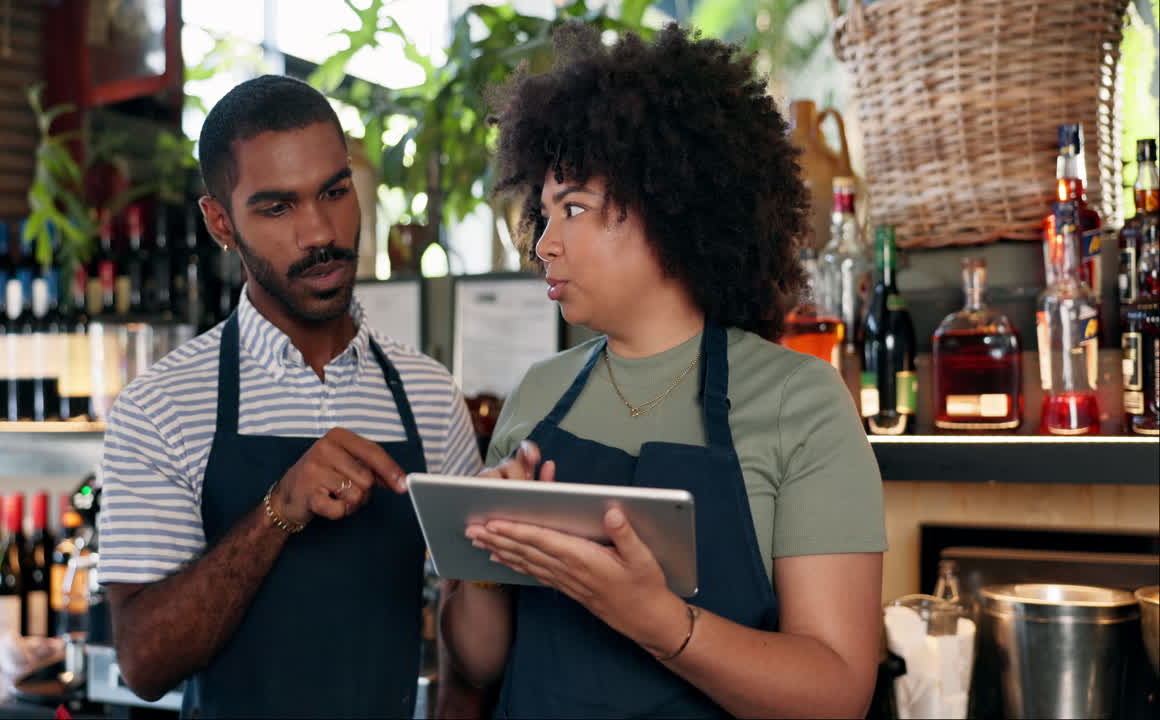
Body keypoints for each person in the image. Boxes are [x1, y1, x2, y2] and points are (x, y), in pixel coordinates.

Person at [439, 23, 887, 718]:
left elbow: (835, 692)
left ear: (666, 204)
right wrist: (488, 565)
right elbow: (477, 663)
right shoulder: (539, 393)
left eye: (574, 210)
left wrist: (657, 622)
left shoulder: (800, 401)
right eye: (544, 213)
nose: (545, 244)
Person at [98, 75, 483, 718]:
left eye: (334, 192)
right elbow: (143, 662)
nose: (319, 232)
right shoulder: (160, 408)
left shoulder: (427, 395)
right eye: (277, 207)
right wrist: (279, 509)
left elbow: (468, 628)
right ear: (220, 221)